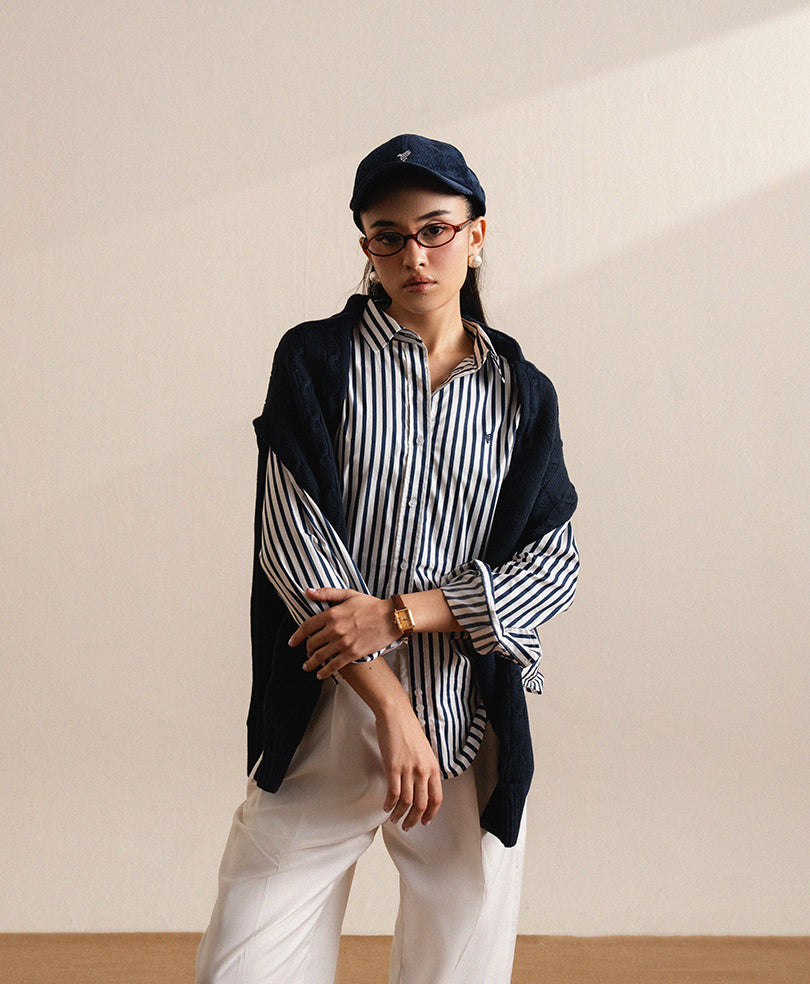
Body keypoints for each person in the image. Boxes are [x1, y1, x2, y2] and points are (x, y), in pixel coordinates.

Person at [196, 134, 579, 984]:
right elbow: (294, 543)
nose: (416, 255)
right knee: (243, 966)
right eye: (389, 235)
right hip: (333, 705)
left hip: (468, 719)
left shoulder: (523, 393)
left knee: (458, 970)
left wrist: (402, 614)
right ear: (366, 246)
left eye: (436, 229)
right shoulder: (316, 360)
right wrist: (391, 707)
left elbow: (554, 563)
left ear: (476, 236)